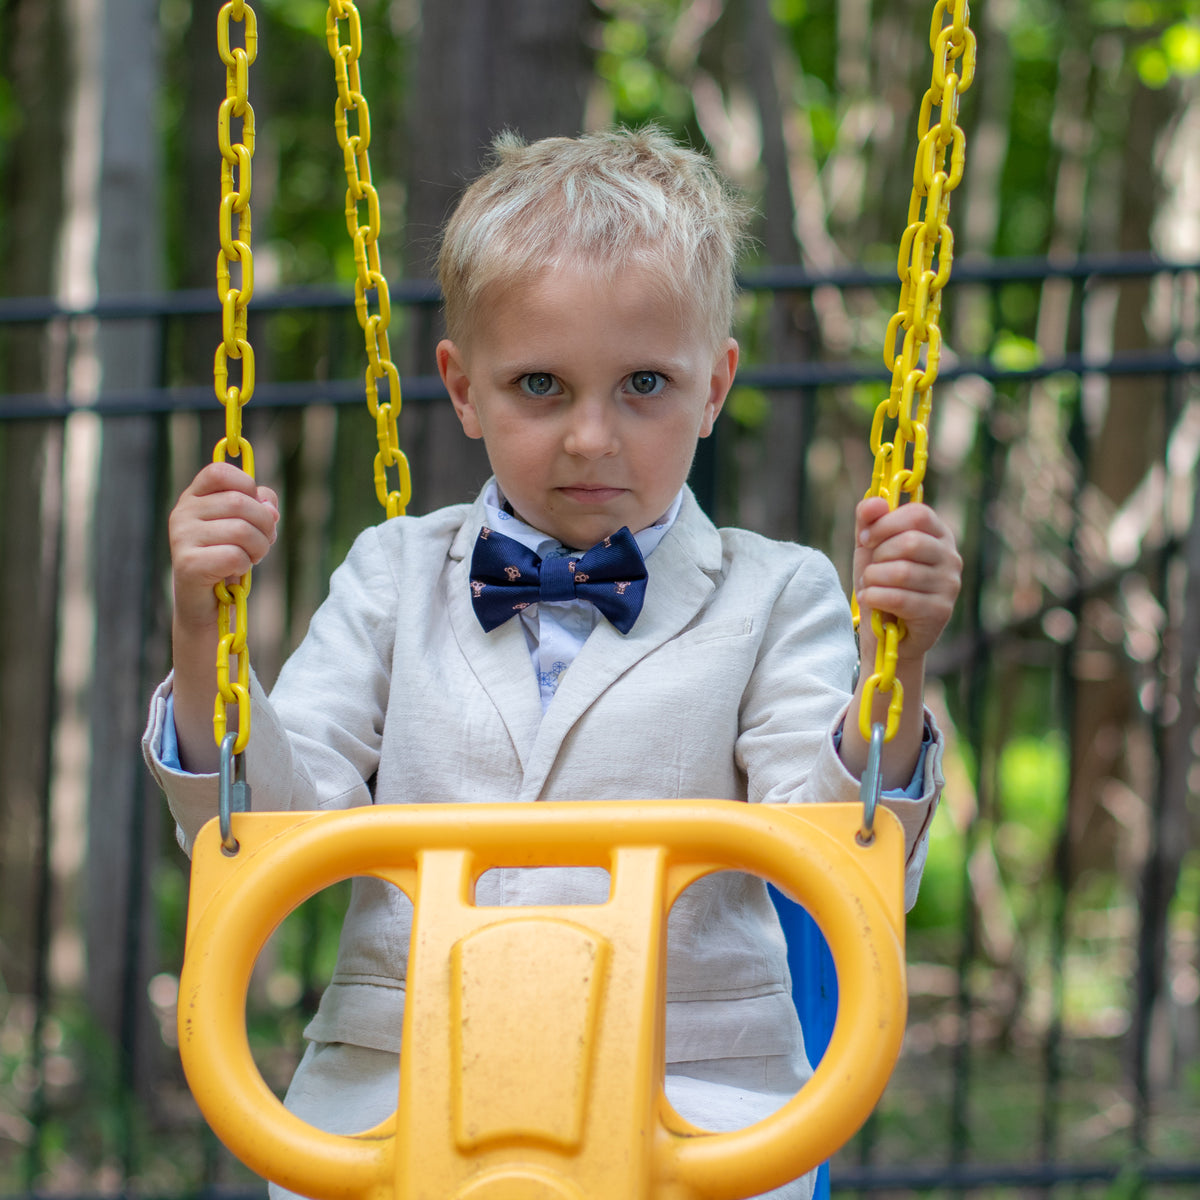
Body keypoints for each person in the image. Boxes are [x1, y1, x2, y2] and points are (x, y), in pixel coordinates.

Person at [144, 127, 961, 1200]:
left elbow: (829, 836)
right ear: (463, 387)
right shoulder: (392, 575)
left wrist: (890, 675)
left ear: (713, 388)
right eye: (540, 384)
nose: (590, 437)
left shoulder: (780, 592)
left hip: (691, 1090)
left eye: (643, 386)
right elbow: (264, 829)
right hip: (398, 1080)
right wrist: (206, 636)